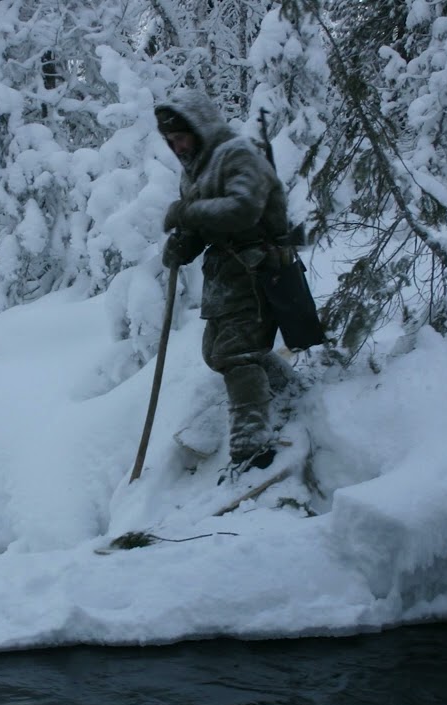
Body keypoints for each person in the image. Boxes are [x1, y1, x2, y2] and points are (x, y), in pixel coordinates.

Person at [155, 89, 295, 474]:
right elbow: (204, 221)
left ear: (201, 128)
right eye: (171, 141)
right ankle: (287, 390)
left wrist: (187, 213)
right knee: (217, 353)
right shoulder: (198, 170)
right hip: (224, 273)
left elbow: (243, 208)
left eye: (182, 136)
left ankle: (252, 447)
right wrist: (183, 245)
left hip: (257, 268)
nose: (177, 146)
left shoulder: (238, 154)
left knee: (236, 354)